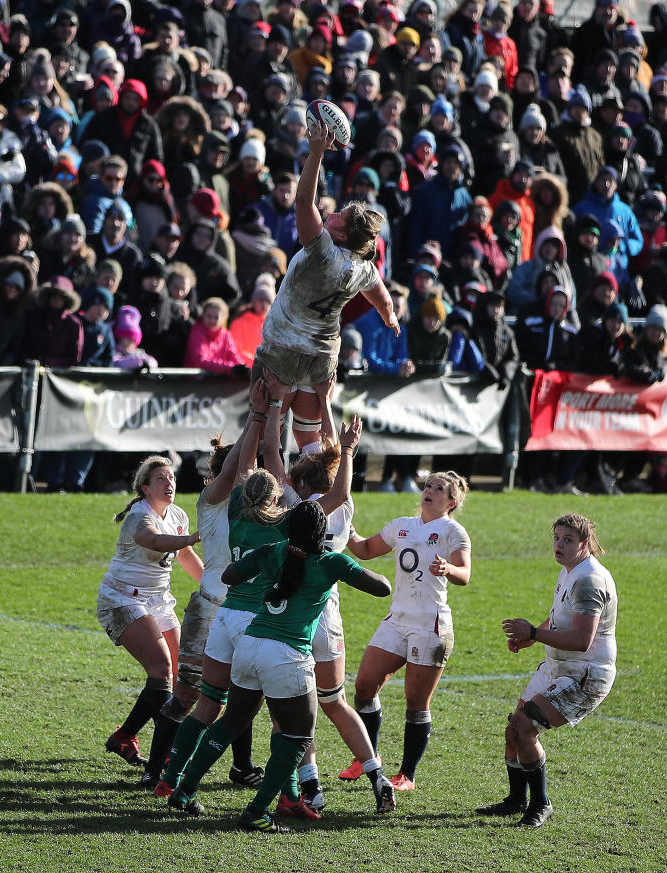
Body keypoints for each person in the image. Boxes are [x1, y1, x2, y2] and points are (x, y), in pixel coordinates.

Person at [166, 500, 393, 833]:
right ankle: (257, 811)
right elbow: (382, 587)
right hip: (287, 656)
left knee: (231, 720)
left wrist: (265, 563)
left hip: (250, 644)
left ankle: (184, 790)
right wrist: (343, 566)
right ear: (321, 535)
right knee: (298, 737)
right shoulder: (330, 562)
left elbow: (230, 575)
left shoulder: (273, 550)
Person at [259, 409, 395, 815]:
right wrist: (338, 425)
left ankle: (309, 788)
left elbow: (270, 456)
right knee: (335, 701)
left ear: (298, 484)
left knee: (292, 713)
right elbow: (338, 470)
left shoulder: (291, 510)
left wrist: (270, 413)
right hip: (329, 617)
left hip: (293, 625)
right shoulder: (343, 506)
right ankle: (376, 774)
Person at [140, 380, 271, 786]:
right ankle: (155, 772)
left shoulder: (248, 505)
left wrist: (271, 416)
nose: (248, 473)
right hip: (211, 606)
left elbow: (256, 466)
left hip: (239, 608)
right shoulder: (213, 500)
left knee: (240, 692)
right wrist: (258, 415)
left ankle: (241, 767)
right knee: (188, 695)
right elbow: (241, 467)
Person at [252, 122, 397, 453]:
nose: (331, 213)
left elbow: (303, 201)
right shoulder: (363, 267)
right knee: (308, 442)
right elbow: (382, 299)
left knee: (261, 430)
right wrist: (391, 319)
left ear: (342, 235)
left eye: (339, 216)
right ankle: (312, 499)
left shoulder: (322, 250)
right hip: (322, 356)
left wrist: (316, 152)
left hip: (283, 349)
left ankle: (264, 497)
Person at [477, 514, 617, 828]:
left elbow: (582, 640)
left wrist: (534, 634)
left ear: (584, 544)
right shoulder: (570, 571)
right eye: (556, 537)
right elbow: (559, 619)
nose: (559, 545)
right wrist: (532, 636)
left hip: (585, 675)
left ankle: (541, 804)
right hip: (558, 666)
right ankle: (516, 800)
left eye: (568, 540)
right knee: (513, 728)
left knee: (525, 727)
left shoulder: (589, 580)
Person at [340, 471, 472, 791]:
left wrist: (448, 568)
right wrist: (344, 524)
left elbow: (464, 574)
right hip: (397, 620)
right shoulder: (402, 525)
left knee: (416, 701)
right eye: (428, 486)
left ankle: (407, 775)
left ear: (451, 502)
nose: (430, 491)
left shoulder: (453, 532)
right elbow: (364, 549)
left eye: (439, 489)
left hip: (431, 626)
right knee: (364, 685)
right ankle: (369, 758)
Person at [101, 456, 204, 772]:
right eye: (160, 478)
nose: (169, 483)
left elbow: (185, 556)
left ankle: (125, 735)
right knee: (161, 670)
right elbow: (154, 540)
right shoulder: (138, 516)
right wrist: (193, 537)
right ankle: (168, 752)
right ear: (145, 488)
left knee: (181, 676)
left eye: (171, 477)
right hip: (121, 599)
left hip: (159, 602)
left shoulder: (177, 515)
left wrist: (216, 589)